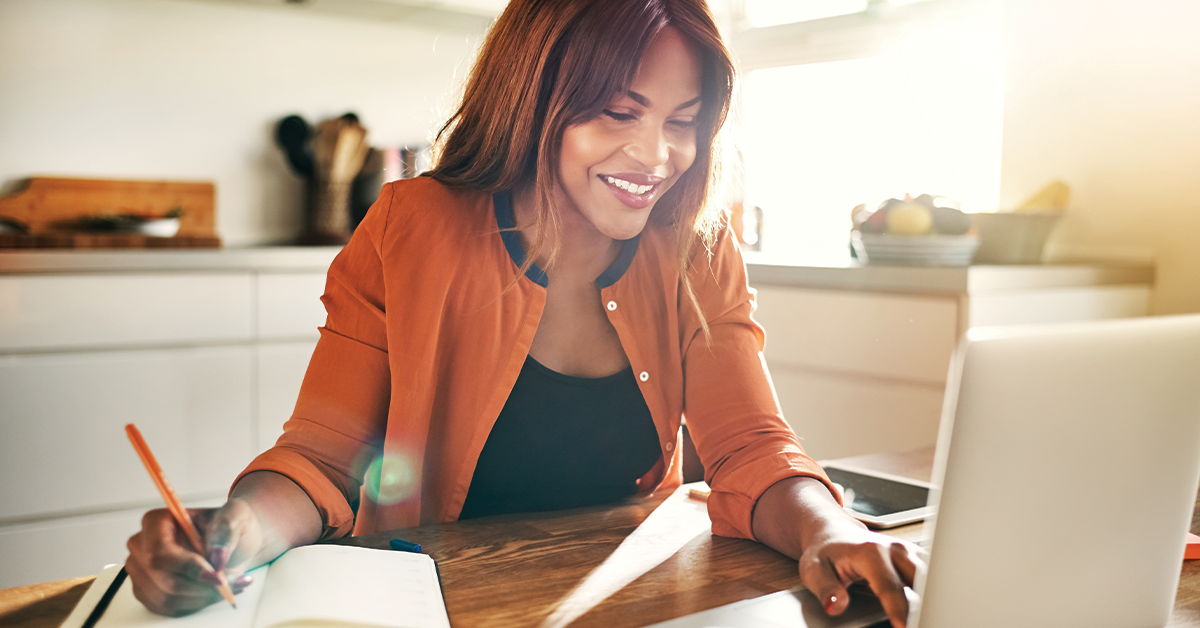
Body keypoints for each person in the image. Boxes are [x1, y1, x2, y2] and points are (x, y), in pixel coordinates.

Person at [124, 0, 925, 625]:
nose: (656, 157)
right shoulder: (410, 227)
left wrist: (831, 530)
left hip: (629, 597)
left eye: (682, 122)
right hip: (427, 603)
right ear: (536, 95)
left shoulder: (697, 246)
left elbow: (749, 447)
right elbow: (324, 460)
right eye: (619, 112)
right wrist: (235, 537)